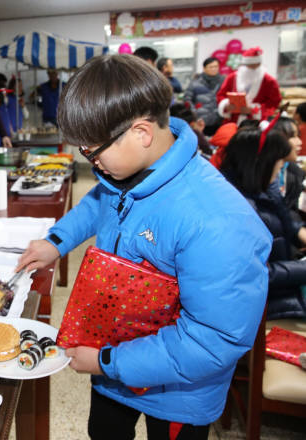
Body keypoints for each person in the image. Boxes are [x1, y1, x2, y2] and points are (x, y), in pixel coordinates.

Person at [16, 54, 271, 439]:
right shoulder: (127, 169)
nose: (92, 164)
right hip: (113, 359)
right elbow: (99, 201)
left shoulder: (217, 221)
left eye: (92, 152)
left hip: (176, 393)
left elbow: (213, 339)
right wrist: (57, 241)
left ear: (141, 132)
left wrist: (106, 361)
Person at [219, 125, 306, 320]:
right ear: (262, 163)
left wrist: (298, 232)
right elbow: (255, 271)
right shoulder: (239, 208)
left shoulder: (260, 187)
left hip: (279, 293)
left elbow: (283, 223)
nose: (282, 166)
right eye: (279, 161)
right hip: (266, 306)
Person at [216, 47, 281, 124]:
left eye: (254, 66)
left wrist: (253, 109)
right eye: (248, 66)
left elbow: (274, 102)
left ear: (259, 64)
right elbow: (221, 95)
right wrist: (226, 105)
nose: (250, 69)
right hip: (233, 120)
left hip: (256, 122)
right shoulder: (233, 77)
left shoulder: (269, 81)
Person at [271, 117, 304, 217]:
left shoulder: (296, 172)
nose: (300, 142)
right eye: (293, 136)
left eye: (298, 136)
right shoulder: (258, 174)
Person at [184, 57, 225, 136]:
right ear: (204, 68)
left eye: (216, 66)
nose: (214, 69)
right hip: (201, 121)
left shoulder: (224, 82)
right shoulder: (195, 83)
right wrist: (194, 114)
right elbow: (187, 100)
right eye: (211, 67)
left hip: (219, 120)